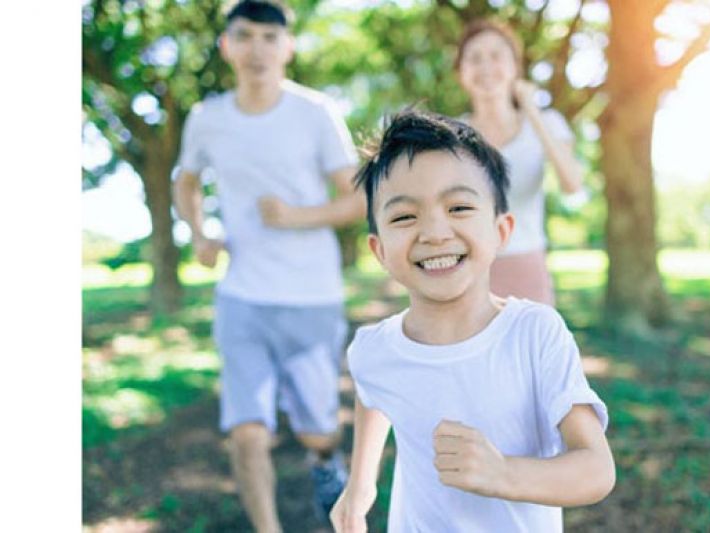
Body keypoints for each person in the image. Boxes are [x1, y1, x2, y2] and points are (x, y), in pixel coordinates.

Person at [330, 109, 614, 532]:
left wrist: (503, 473)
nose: (434, 232)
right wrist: (359, 484)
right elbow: (372, 391)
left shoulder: (534, 333)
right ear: (380, 250)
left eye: (459, 207)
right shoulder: (373, 348)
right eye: (404, 216)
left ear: (502, 231)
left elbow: (596, 469)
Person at [172, 1, 365, 531]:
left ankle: (324, 459)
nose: (257, 48)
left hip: (312, 296)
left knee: (317, 428)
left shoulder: (315, 112)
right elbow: (185, 181)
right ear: (226, 46)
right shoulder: (207, 118)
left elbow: (358, 199)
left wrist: (296, 216)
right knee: (247, 431)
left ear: (288, 47)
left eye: (269, 37)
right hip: (242, 297)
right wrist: (199, 233)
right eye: (244, 36)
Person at [454, 19, 585, 305]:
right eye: (474, 58)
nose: (486, 67)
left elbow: (573, 184)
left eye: (496, 56)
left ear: (515, 67)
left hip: (527, 266)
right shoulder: (451, 135)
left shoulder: (548, 122)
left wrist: (532, 111)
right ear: (460, 72)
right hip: (466, 272)